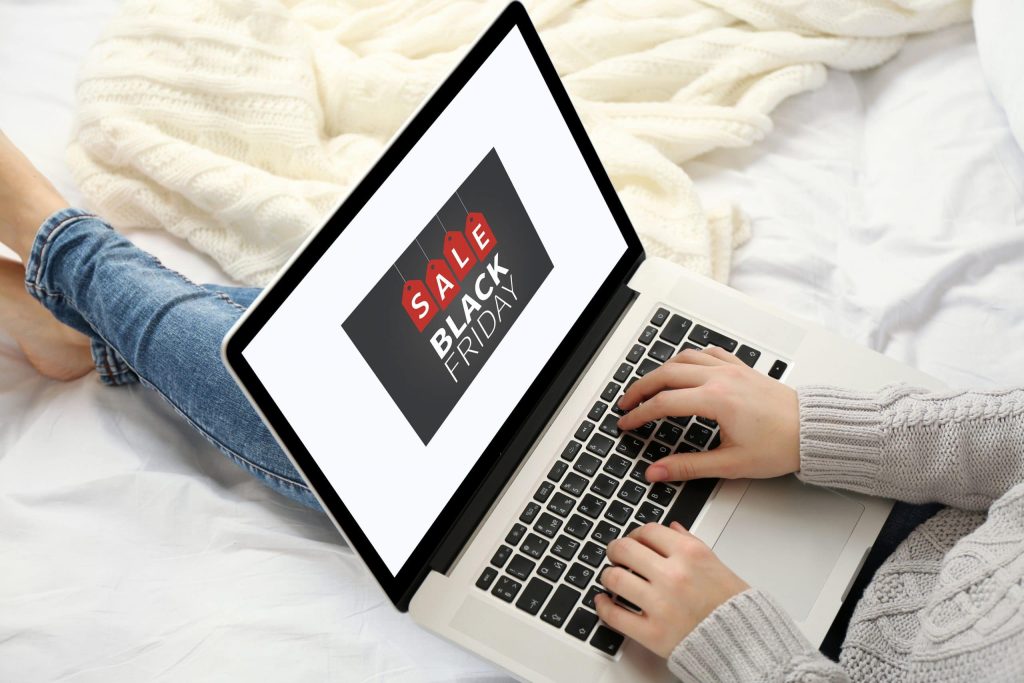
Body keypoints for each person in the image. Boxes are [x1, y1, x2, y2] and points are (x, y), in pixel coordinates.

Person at [2, 129, 1023, 681]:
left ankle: (67, 253)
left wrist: (739, 646)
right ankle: (78, 314)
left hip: (794, 652)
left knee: (406, 460)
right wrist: (818, 429)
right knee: (514, 381)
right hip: (905, 503)